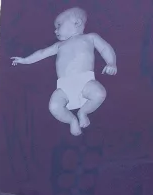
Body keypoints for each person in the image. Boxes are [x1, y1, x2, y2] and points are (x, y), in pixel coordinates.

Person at [10, 7, 117, 136]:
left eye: (59, 25)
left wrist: (111, 63)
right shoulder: (59, 45)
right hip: (64, 87)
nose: (55, 30)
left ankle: (83, 112)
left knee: (99, 93)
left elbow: (105, 48)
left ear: (76, 23)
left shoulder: (90, 37)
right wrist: (25, 60)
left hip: (85, 82)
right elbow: (42, 53)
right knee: (54, 106)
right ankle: (72, 120)